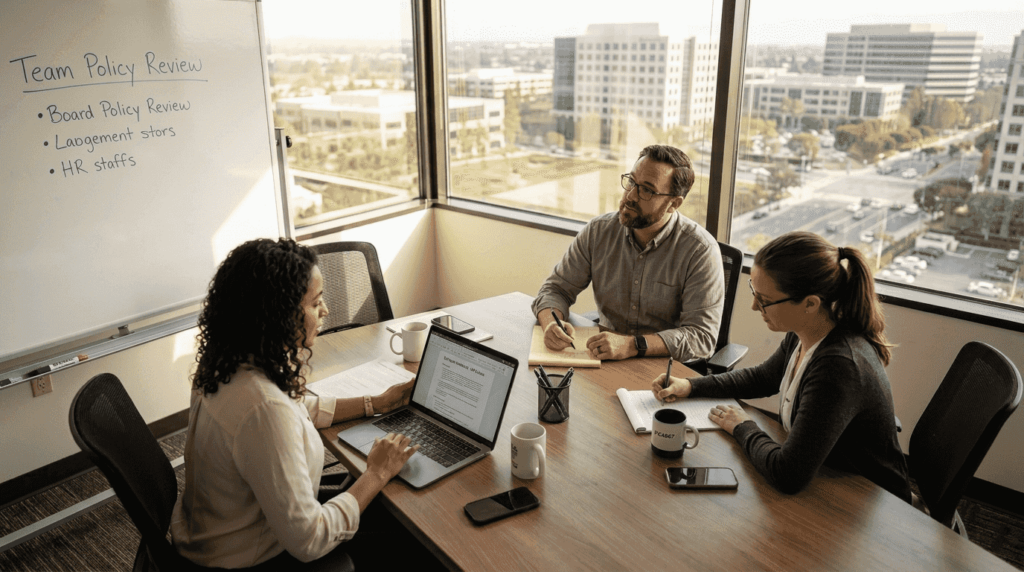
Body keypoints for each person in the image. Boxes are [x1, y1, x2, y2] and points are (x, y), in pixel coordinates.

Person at [170, 238, 421, 568]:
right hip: (249, 560)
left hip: (217, 531)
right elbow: (311, 540)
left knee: (388, 508)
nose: (325, 311)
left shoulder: (227, 362)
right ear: (280, 315)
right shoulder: (264, 410)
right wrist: (377, 472)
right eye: (316, 303)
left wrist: (374, 403)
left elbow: (295, 411)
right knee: (411, 537)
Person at [652, 231, 912, 501]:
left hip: (872, 502)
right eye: (754, 292)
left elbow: (787, 474)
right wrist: (690, 386)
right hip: (828, 478)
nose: (754, 306)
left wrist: (743, 425)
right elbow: (763, 378)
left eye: (764, 300)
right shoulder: (805, 331)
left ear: (810, 303)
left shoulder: (839, 366)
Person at [531, 144, 724, 363]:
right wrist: (551, 324)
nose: (630, 195)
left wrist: (632, 345)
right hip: (604, 358)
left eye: (647, 190)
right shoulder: (598, 231)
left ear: (673, 203)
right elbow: (555, 290)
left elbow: (701, 338)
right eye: (631, 181)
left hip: (664, 368)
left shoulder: (700, 251)